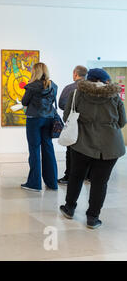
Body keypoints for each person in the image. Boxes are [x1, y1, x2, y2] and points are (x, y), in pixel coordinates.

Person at [60, 68, 126, 229]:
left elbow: (67, 116)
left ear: (89, 79)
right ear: (105, 81)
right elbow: (122, 121)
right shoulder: (114, 96)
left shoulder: (77, 94)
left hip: (82, 143)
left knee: (76, 176)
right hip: (109, 146)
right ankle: (92, 218)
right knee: (100, 182)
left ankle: (69, 208)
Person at [21, 62, 58, 191]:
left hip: (34, 120)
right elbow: (52, 102)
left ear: (35, 72)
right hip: (49, 119)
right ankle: (52, 182)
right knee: (48, 149)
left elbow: (24, 102)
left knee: (34, 150)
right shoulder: (53, 86)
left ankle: (34, 183)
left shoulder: (31, 86)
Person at [57, 65, 88, 185]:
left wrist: (73, 111)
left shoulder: (70, 88)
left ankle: (69, 176)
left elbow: (61, 104)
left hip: (74, 123)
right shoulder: (92, 88)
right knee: (87, 150)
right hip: (88, 124)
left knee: (70, 151)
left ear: (75, 74)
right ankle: (87, 175)